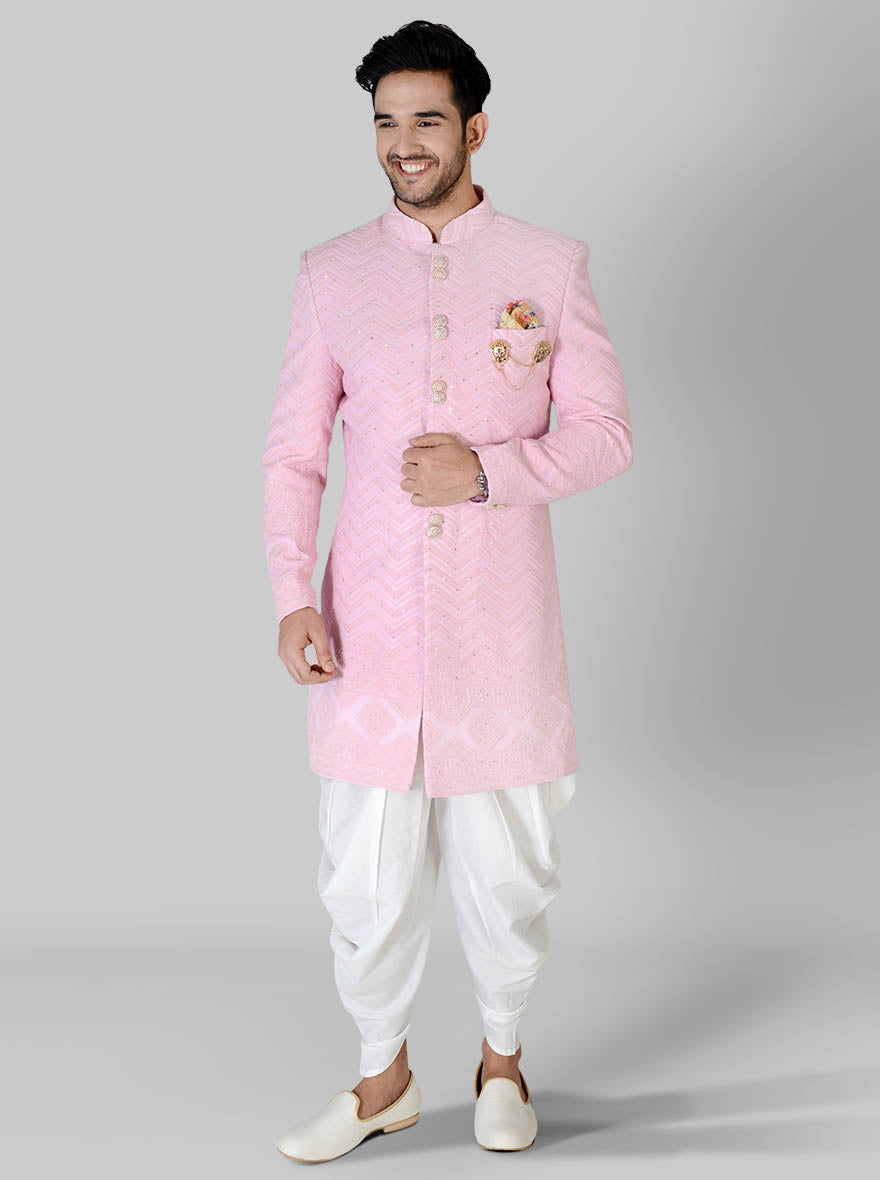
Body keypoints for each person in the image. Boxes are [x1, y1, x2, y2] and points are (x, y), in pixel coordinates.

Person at [262, 19, 633, 1161]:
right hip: (367, 627)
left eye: (427, 119)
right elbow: (293, 455)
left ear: (475, 128)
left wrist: (486, 472)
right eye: (386, 121)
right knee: (364, 878)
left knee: (509, 872)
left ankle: (501, 1062)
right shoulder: (331, 273)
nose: (404, 143)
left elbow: (606, 434)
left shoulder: (548, 266)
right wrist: (290, 593)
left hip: (500, 629)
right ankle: (382, 1080)